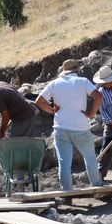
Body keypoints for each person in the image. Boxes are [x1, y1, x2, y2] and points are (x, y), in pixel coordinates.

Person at [34, 59, 103, 191]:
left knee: (64, 163)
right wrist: (91, 114)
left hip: (60, 127)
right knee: (89, 158)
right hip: (80, 126)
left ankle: (66, 192)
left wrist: (52, 111)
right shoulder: (82, 81)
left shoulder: (54, 84)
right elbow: (98, 96)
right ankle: (96, 186)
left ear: (63, 71)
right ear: (77, 70)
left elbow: (39, 101)